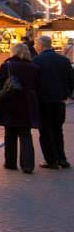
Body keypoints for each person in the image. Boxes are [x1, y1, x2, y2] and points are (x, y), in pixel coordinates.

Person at [0, 43, 41, 173]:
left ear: (13, 52)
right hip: (27, 105)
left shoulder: (7, 66)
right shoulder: (34, 68)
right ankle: (28, 165)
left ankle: (10, 163)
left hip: (10, 104)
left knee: (10, 135)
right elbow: (38, 87)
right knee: (25, 135)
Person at [32, 35, 74, 169]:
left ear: (41, 45)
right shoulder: (64, 60)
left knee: (45, 131)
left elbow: (34, 83)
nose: (35, 47)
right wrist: (66, 93)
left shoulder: (36, 61)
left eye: (36, 45)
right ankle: (62, 158)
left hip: (43, 101)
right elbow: (72, 80)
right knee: (57, 130)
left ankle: (51, 160)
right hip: (59, 101)